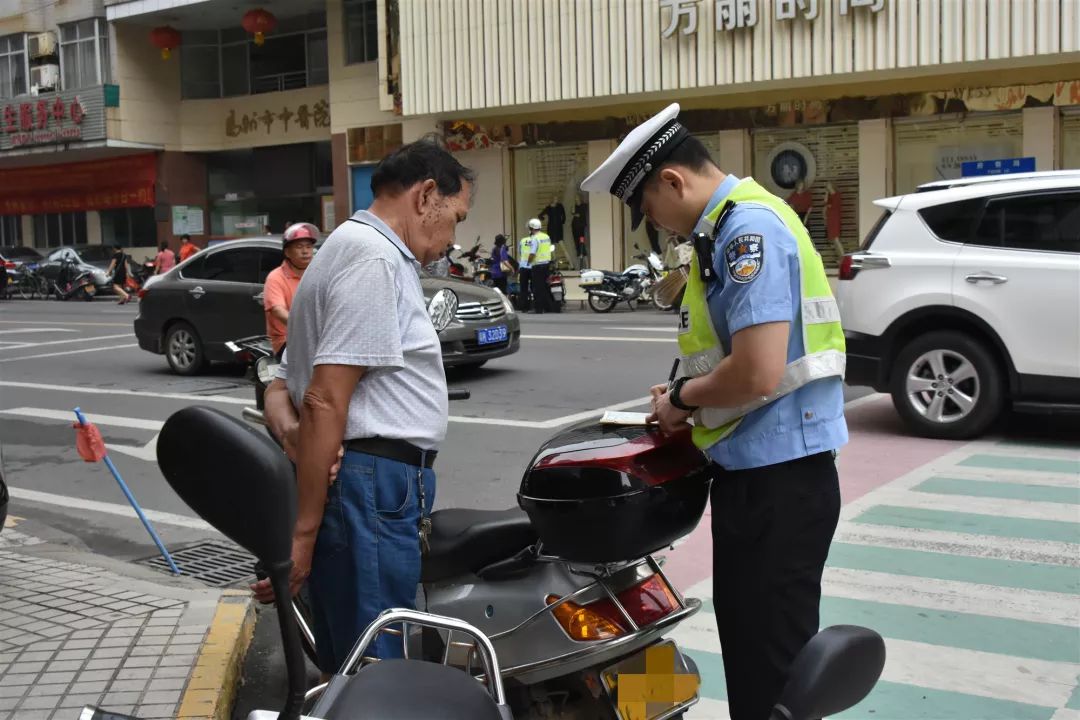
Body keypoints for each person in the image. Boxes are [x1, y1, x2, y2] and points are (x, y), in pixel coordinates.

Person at [581, 103, 846, 720]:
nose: (657, 224)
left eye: (648, 209)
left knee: (771, 676)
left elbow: (757, 369)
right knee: (758, 659)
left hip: (778, 483)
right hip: (766, 478)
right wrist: (681, 398)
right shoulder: (728, 227)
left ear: (672, 181)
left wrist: (678, 402)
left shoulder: (746, 231)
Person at [250, 137, 474, 673]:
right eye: (456, 217)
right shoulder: (373, 258)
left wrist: (291, 433)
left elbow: (281, 385)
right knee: (377, 663)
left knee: (353, 657)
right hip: (372, 487)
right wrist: (302, 534)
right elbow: (324, 396)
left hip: (364, 486)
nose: (452, 238)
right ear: (426, 196)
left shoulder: (343, 251)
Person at [263, 222, 317, 356]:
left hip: (317, 339)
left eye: (309, 247)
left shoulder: (318, 274)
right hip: (287, 341)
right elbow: (277, 310)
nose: (305, 251)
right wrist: (307, 326)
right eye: (299, 247)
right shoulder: (276, 277)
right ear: (287, 252)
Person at [517, 219, 539, 312]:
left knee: (523, 288)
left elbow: (520, 252)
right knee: (534, 287)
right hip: (532, 267)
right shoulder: (536, 241)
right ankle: (534, 306)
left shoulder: (523, 240)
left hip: (523, 267)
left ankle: (524, 307)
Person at [823, 181, 844, 264]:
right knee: (834, 240)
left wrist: (828, 206)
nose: (827, 186)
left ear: (832, 185)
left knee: (836, 239)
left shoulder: (837, 195)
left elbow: (833, 206)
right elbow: (825, 203)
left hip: (834, 219)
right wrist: (826, 194)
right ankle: (841, 258)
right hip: (830, 219)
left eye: (828, 185)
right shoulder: (829, 196)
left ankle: (843, 258)